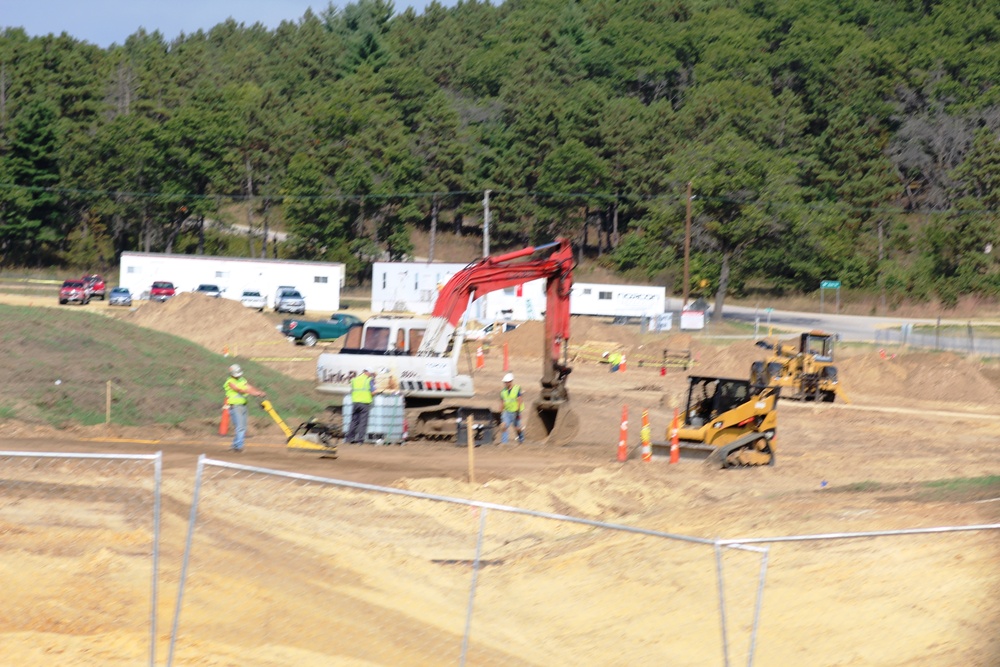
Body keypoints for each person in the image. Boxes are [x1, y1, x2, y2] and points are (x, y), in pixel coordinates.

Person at [224, 363, 266, 453]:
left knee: (242, 427)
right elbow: (239, 390)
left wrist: (258, 392)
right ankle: (239, 446)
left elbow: (249, 387)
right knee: (240, 427)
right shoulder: (230, 382)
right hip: (235, 406)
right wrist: (254, 393)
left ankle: (235, 445)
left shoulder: (242, 380)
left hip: (243, 406)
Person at [347, 369, 377, 444]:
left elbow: (352, 390)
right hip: (364, 403)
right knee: (363, 422)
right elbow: (373, 392)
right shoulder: (369, 380)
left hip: (355, 403)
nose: (371, 374)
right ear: (367, 373)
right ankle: (360, 440)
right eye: (371, 373)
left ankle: (349, 438)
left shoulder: (355, 379)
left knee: (353, 421)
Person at [499, 372, 525, 444]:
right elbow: (502, 402)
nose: (506, 383)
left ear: (511, 381)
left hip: (515, 412)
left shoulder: (517, 389)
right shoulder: (503, 391)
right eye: (505, 382)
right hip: (506, 412)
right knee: (504, 426)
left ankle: (521, 438)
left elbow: (519, 400)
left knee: (517, 428)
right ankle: (504, 443)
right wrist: (500, 412)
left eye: (507, 382)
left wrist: (518, 410)